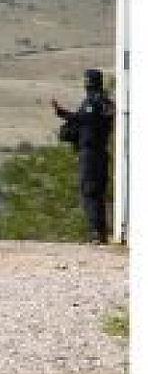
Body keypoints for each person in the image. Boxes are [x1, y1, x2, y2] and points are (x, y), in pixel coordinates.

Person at [52, 68, 116, 244]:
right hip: (101, 153)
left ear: (88, 83)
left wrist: (62, 113)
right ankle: (101, 232)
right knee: (98, 193)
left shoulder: (93, 103)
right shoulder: (107, 104)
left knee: (89, 192)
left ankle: (96, 233)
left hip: (90, 154)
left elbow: (85, 120)